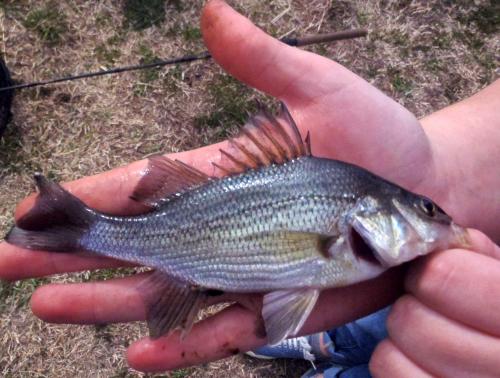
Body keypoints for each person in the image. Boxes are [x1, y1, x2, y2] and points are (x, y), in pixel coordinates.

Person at [0, 0, 499, 376]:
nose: (440, 222)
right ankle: (333, 340)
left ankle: (331, 340)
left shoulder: (352, 233)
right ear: (371, 214)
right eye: (426, 211)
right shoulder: (346, 230)